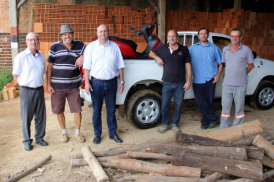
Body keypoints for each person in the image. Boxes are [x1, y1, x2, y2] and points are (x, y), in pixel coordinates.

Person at [83, 24, 125, 144]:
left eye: (105, 31)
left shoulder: (115, 47)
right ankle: (97, 134)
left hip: (112, 83)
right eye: (101, 31)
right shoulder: (91, 47)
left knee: (111, 110)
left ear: (108, 32)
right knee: (96, 110)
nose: (103, 33)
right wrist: (87, 83)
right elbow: (86, 67)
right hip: (96, 83)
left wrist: (122, 81)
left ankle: (113, 133)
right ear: (97, 33)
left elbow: (120, 66)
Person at [47, 24, 86, 143]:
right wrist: (48, 84)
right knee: (59, 110)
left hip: (74, 85)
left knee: (77, 109)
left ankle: (78, 133)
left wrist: (82, 56)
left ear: (72, 34)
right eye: (64, 34)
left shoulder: (79, 45)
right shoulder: (54, 47)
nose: (67, 36)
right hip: (57, 86)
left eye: (69, 33)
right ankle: (64, 132)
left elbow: (91, 52)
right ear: (61, 36)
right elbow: (49, 66)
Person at [149, 29, 192, 133]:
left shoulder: (184, 49)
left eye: (173, 36)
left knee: (178, 105)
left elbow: (188, 65)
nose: (171, 38)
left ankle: (174, 124)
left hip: (180, 83)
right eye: (169, 36)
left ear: (177, 37)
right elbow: (150, 53)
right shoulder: (162, 48)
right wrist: (157, 58)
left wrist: (188, 81)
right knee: (165, 105)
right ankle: (165, 124)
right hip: (167, 82)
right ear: (167, 38)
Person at [12, 32, 48, 151]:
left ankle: (39, 138)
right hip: (27, 91)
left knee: (40, 116)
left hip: (39, 90)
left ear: (38, 41)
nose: (33, 42)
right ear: (26, 42)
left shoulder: (41, 56)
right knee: (26, 117)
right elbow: (15, 74)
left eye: (35, 40)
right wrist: (24, 83)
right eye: (30, 40)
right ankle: (27, 141)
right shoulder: (21, 57)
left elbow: (43, 72)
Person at [188, 28, 223, 130]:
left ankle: (205, 121)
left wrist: (218, 75)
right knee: (200, 101)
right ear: (198, 36)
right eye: (201, 34)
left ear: (207, 35)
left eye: (205, 33)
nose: (203, 35)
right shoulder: (191, 49)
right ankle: (214, 118)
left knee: (209, 102)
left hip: (210, 79)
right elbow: (185, 61)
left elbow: (221, 63)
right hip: (197, 79)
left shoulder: (214, 48)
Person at [220, 28, 254, 129]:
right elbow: (224, 63)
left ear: (241, 37)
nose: (234, 38)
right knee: (225, 108)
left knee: (239, 109)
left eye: (237, 36)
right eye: (232, 36)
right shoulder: (226, 49)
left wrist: (242, 73)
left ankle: (236, 128)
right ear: (230, 37)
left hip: (240, 84)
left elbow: (251, 65)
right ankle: (224, 128)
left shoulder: (246, 50)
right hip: (227, 84)